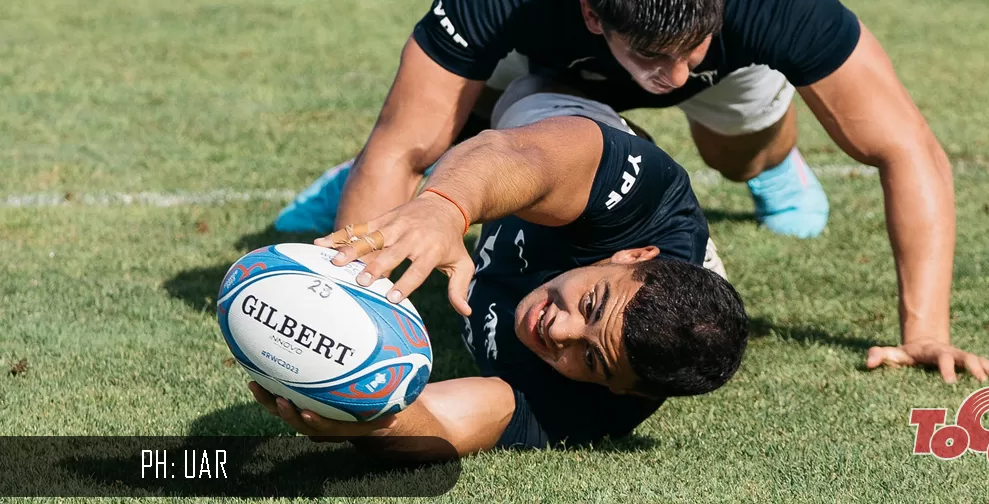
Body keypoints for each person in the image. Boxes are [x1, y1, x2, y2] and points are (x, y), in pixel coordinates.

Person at [274, 0, 989, 382]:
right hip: (546, 52)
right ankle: (394, 181)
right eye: (651, 59)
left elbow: (905, 145)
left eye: (687, 52)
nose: (670, 76)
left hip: (726, 52)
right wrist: (343, 329)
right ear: (595, 17)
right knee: (427, 136)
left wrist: (925, 331)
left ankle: (769, 168)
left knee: (737, 152)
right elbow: (402, 139)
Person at [251, 93, 749, 457]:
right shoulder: (645, 205)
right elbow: (519, 156)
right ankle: (394, 165)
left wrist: (367, 420)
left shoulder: (595, 408)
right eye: (592, 305)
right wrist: (445, 208)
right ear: (632, 257)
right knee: (504, 109)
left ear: (624, 390)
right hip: (561, 98)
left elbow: (447, 422)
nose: (560, 330)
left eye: (592, 359)